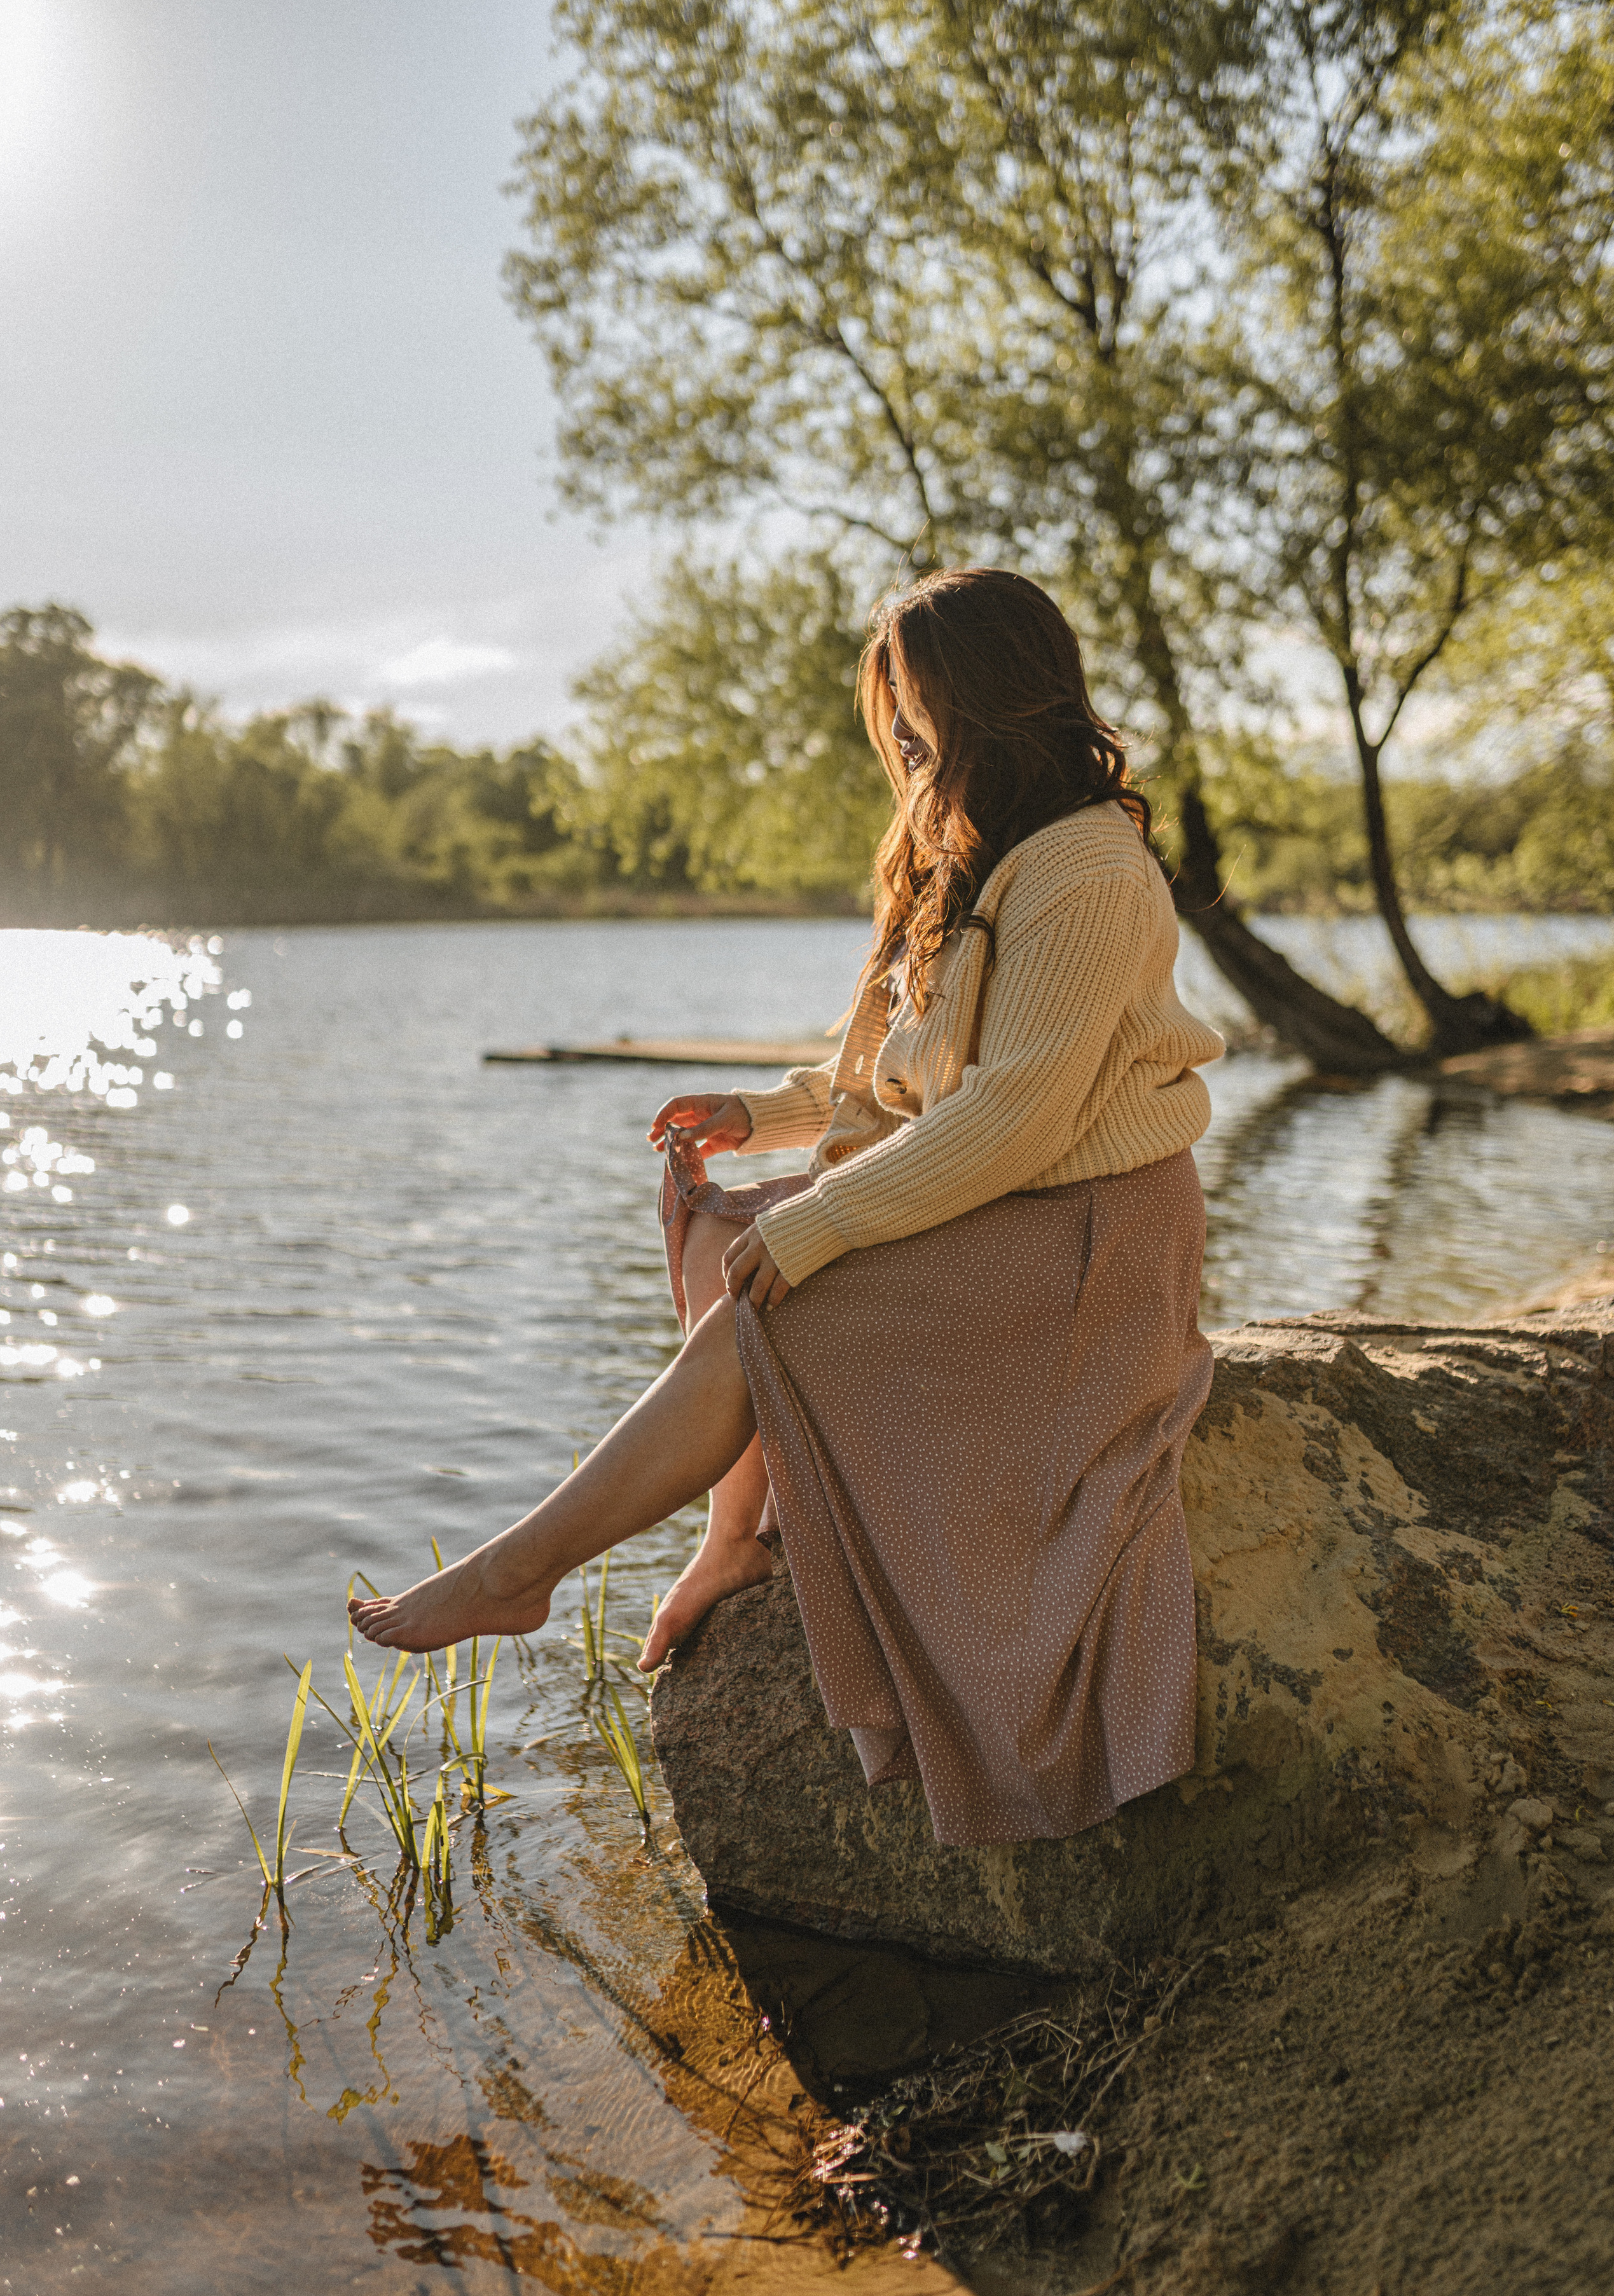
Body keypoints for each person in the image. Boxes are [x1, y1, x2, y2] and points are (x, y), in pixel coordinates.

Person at [351, 567, 1223, 1845]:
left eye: (919, 699)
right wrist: (758, 1116)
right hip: (1000, 1196)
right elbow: (894, 1075)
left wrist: (819, 1222)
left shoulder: (1086, 869)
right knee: (718, 1230)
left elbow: (1013, 1117)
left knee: (777, 1289)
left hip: (1084, 1234)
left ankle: (519, 1570)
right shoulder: (959, 856)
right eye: (895, 703)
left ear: (990, 697)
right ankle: (734, 1540)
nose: (905, 729)